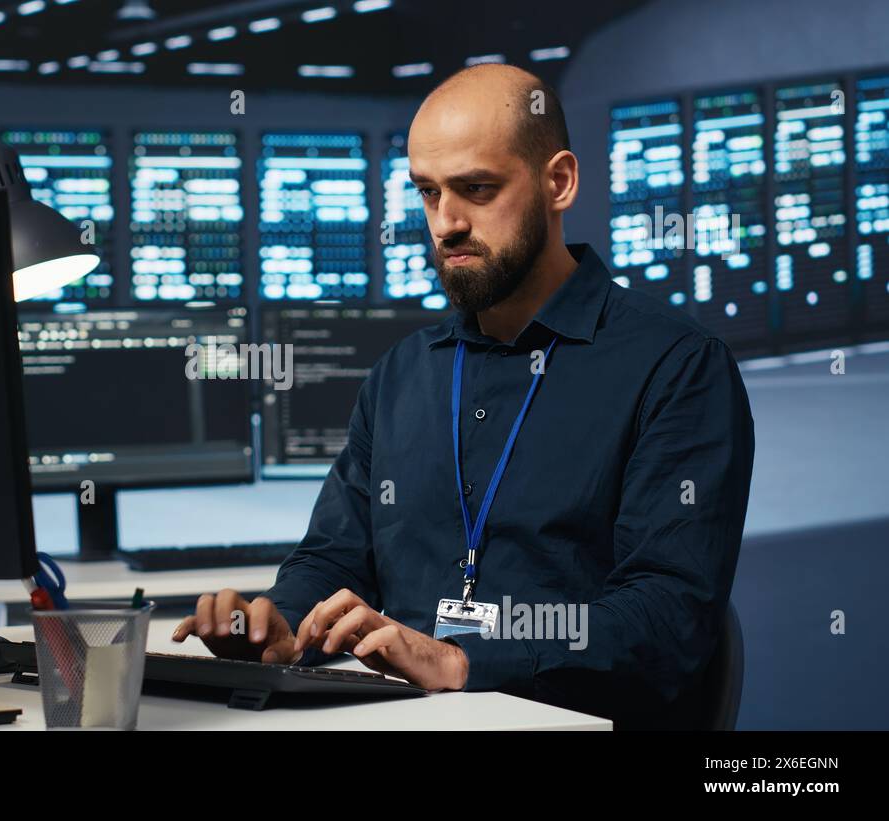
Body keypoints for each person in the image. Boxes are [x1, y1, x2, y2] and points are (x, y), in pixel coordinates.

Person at [171, 63, 755, 729]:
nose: (446, 223)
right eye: (427, 192)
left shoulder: (677, 366)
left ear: (557, 181)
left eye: (477, 189)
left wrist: (462, 658)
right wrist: (279, 621)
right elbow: (334, 557)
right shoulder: (402, 374)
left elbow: (668, 617)